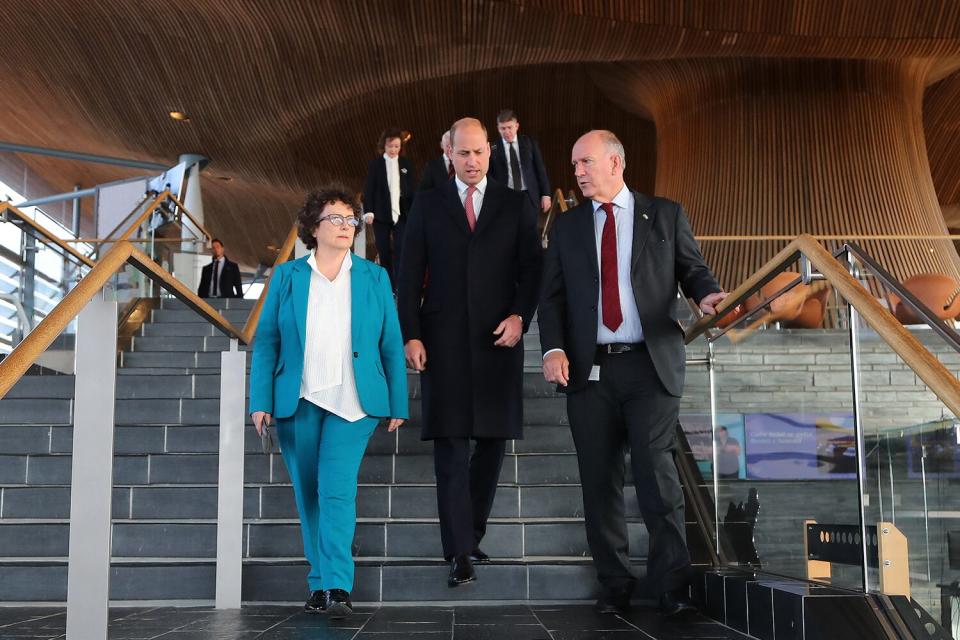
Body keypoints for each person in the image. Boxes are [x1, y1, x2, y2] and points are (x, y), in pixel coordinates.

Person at [538, 130, 728, 617]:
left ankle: (671, 586)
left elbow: (693, 269)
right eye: (574, 164)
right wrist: (553, 349)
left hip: (650, 366)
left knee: (657, 476)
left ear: (615, 162)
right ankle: (615, 583)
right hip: (589, 371)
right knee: (599, 481)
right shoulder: (568, 226)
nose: (577, 172)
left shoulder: (665, 213)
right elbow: (552, 297)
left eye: (585, 162)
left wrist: (707, 295)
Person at [248, 185, 408, 618]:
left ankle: (336, 582)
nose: (345, 227)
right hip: (298, 398)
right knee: (308, 494)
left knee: (336, 490)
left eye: (350, 220)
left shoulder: (375, 277)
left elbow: (391, 343)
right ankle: (318, 582)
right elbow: (266, 343)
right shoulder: (288, 276)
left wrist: (398, 401)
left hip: (354, 401)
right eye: (335, 219)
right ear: (313, 228)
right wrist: (260, 399)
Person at [398, 117, 542, 588]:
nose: (473, 161)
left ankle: (472, 532)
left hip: (499, 342)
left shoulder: (515, 204)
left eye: (480, 152)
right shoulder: (427, 203)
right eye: (464, 154)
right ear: (450, 155)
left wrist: (521, 316)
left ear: (491, 153)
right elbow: (408, 274)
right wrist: (411, 334)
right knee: (451, 446)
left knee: (493, 443)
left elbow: (531, 271)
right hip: (442, 343)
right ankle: (459, 549)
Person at [363, 128, 416, 289]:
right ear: (384, 146)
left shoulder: (406, 164)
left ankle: (401, 285)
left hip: (402, 213)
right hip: (380, 214)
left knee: (401, 249)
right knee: (384, 250)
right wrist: (369, 211)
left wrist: (414, 212)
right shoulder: (376, 165)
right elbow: (369, 189)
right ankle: (389, 286)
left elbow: (413, 189)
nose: (394, 150)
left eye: (397, 146)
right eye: (390, 146)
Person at [487, 109, 552, 213]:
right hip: (505, 195)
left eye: (510, 127)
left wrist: (546, 194)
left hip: (529, 195)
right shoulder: (493, 148)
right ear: (498, 128)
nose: (507, 132)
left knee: (530, 227)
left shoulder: (529, 143)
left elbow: (540, 169)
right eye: (503, 128)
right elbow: (490, 175)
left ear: (516, 126)